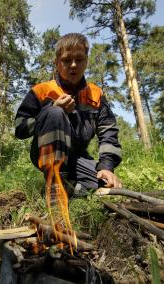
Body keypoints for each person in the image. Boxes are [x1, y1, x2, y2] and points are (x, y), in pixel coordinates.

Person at [14, 33, 122, 197]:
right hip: (44, 152)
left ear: (86, 62)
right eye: (66, 60)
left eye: (79, 59)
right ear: (57, 63)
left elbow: (109, 132)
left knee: (106, 187)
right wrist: (49, 111)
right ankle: (55, 185)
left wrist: (106, 166)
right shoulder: (41, 91)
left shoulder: (96, 94)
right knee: (55, 112)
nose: (73, 65)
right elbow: (20, 128)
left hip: (78, 158)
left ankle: (72, 188)